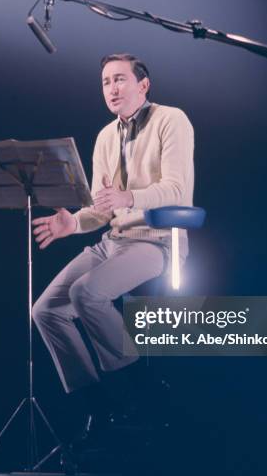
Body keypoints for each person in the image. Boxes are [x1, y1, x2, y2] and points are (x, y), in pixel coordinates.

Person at [32, 53, 194, 444]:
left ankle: (140, 389)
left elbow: (176, 192)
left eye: (120, 79)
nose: (112, 89)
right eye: (105, 82)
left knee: (85, 293)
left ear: (144, 84)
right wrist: (73, 222)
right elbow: (101, 208)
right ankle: (97, 405)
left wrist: (128, 197)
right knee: (45, 310)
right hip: (113, 241)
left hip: (158, 239)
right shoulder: (106, 136)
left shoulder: (171, 120)